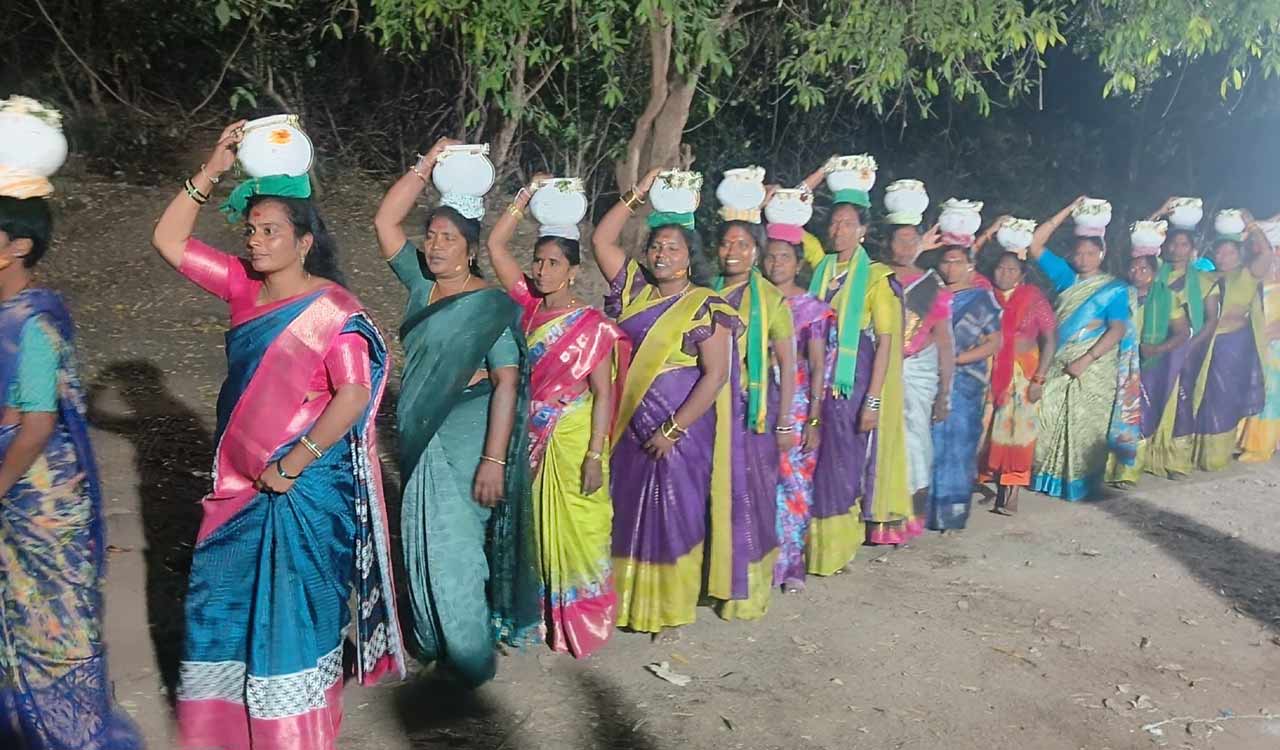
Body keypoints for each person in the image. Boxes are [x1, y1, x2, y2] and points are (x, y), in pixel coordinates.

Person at [152, 121, 403, 748]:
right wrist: (212, 167)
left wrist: (296, 461)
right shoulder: (241, 287)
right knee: (222, 598)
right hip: (235, 485)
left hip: (300, 489)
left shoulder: (335, 312)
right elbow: (168, 238)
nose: (257, 241)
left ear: (304, 241)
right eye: (252, 230)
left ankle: (292, 731)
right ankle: (226, 729)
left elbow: (350, 395)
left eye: (272, 232)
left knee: (293, 613)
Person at [373, 137, 540, 685]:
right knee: (421, 533)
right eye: (433, 236)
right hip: (422, 433)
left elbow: (509, 382)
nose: (437, 245)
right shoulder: (421, 286)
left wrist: (494, 459)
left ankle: (470, 658)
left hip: (470, 432)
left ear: (470, 249)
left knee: (456, 542)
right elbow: (385, 222)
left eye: (449, 239)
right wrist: (426, 161)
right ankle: (433, 639)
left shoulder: (489, 305)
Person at [1, 188, 143, 749]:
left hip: (41, 502)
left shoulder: (34, 325)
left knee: (54, 627)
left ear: (18, 247)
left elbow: (35, 426)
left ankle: (72, 735)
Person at [590, 168, 738, 635]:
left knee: (673, 510)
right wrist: (639, 193)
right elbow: (601, 238)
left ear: (690, 257)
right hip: (627, 423)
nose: (661, 254)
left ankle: (668, 607)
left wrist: (673, 429)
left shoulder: (706, 305)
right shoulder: (633, 287)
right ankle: (627, 603)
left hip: (680, 431)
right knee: (627, 509)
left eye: (673, 248)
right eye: (656, 246)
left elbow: (716, 376)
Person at [486, 179, 629, 658]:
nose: (543, 271)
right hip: (525, 435)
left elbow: (604, 394)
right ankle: (537, 614)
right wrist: (525, 194)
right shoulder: (526, 309)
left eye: (554, 264)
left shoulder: (594, 327)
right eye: (539, 262)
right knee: (528, 528)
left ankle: (579, 618)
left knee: (575, 528)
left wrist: (594, 453)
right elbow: (494, 244)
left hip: (570, 439)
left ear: (573, 271)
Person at [795, 162, 909, 565]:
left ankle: (837, 549)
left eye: (848, 224)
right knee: (813, 457)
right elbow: (790, 216)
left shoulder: (877, 278)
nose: (839, 230)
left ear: (863, 230)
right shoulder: (820, 267)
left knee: (843, 460)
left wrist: (873, 400)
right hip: (813, 376)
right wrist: (823, 172)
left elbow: (887, 342)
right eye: (836, 223)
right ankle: (811, 546)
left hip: (851, 380)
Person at [1027, 197, 1142, 501]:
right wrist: (1068, 209)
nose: (1084, 258)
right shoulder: (1067, 278)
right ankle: (1046, 478)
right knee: (1048, 419)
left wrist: (1086, 360)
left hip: (1092, 367)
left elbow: (1117, 329)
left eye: (1091, 253)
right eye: (1079, 253)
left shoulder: (1114, 289)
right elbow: (1035, 243)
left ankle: (1077, 484)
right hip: (1058, 363)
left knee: (1083, 427)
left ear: (1101, 254)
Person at [711, 216, 793, 618]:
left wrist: (784, 421)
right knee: (715, 496)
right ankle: (718, 581)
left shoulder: (770, 300)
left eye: (742, 244)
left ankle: (748, 593)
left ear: (756, 252)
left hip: (750, 414)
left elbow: (788, 367)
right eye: (727, 243)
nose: (732, 252)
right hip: (709, 412)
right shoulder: (705, 292)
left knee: (751, 498)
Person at [761, 229, 833, 593]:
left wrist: (815, 417)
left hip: (800, 404)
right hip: (758, 398)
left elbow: (819, 365)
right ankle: (759, 565)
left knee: (794, 487)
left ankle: (790, 566)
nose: (776, 263)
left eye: (784, 257)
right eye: (771, 256)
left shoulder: (811, 309)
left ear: (799, 264)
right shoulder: (755, 300)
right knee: (758, 483)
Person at [973, 222, 1056, 515]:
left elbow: (1050, 339)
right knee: (984, 428)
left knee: (1017, 432)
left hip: (1021, 376)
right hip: (985, 371)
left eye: (1011, 270)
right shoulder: (982, 292)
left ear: (1022, 274)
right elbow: (966, 257)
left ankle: (1010, 492)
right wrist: (991, 230)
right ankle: (979, 477)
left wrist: (1040, 378)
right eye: (1000, 268)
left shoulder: (1033, 298)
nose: (1004, 274)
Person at [883, 218, 953, 534]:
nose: (906, 248)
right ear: (889, 243)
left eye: (913, 241)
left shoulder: (931, 286)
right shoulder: (875, 277)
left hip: (918, 372)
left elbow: (944, 340)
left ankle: (911, 507)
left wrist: (945, 392)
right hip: (879, 368)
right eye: (901, 240)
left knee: (914, 437)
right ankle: (879, 508)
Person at [926, 245, 1001, 530]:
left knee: (958, 446)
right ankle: (925, 509)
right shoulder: (930, 293)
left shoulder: (982, 299)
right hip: (930, 377)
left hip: (966, 380)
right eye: (946, 262)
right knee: (928, 443)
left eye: (958, 262)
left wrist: (955, 359)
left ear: (970, 265)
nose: (951, 268)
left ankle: (952, 513)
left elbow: (994, 341)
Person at [1188, 218, 1270, 470]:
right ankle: (1194, 453)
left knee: (1224, 400)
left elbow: (1266, 253)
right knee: (1199, 398)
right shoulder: (1202, 277)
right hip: (1204, 346)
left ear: (1240, 254)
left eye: (1230, 251)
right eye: (1219, 251)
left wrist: (1250, 223)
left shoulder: (1246, 275)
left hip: (1234, 347)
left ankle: (1216, 457)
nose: (1223, 256)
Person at [1144, 201, 1218, 475]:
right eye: (1173, 244)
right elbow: (1143, 235)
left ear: (1192, 249)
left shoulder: (1205, 280)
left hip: (1188, 352)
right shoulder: (1152, 273)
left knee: (1182, 404)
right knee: (1151, 397)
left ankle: (1176, 460)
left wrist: (1188, 348)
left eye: (1184, 245)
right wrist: (1161, 211)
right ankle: (1146, 457)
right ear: (1164, 246)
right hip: (1155, 348)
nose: (1177, 249)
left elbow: (1211, 321)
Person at [1105, 252, 1189, 485]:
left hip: (1150, 365)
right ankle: (1109, 468)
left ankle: (1128, 472)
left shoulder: (1167, 297)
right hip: (1117, 362)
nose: (1137, 274)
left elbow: (1183, 333)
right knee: (1117, 416)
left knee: (1140, 417)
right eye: (1133, 268)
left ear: (1154, 273)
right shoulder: (1117, 294)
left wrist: (1159, 348)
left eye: (1144, 269)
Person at [1238, 219, 1280, 462]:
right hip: (1260, 338)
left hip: (1273, 342)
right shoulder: (1260, 273)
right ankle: (1249, 439)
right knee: (1255, 386)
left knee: (1270, 393)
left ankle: (1260, 445)